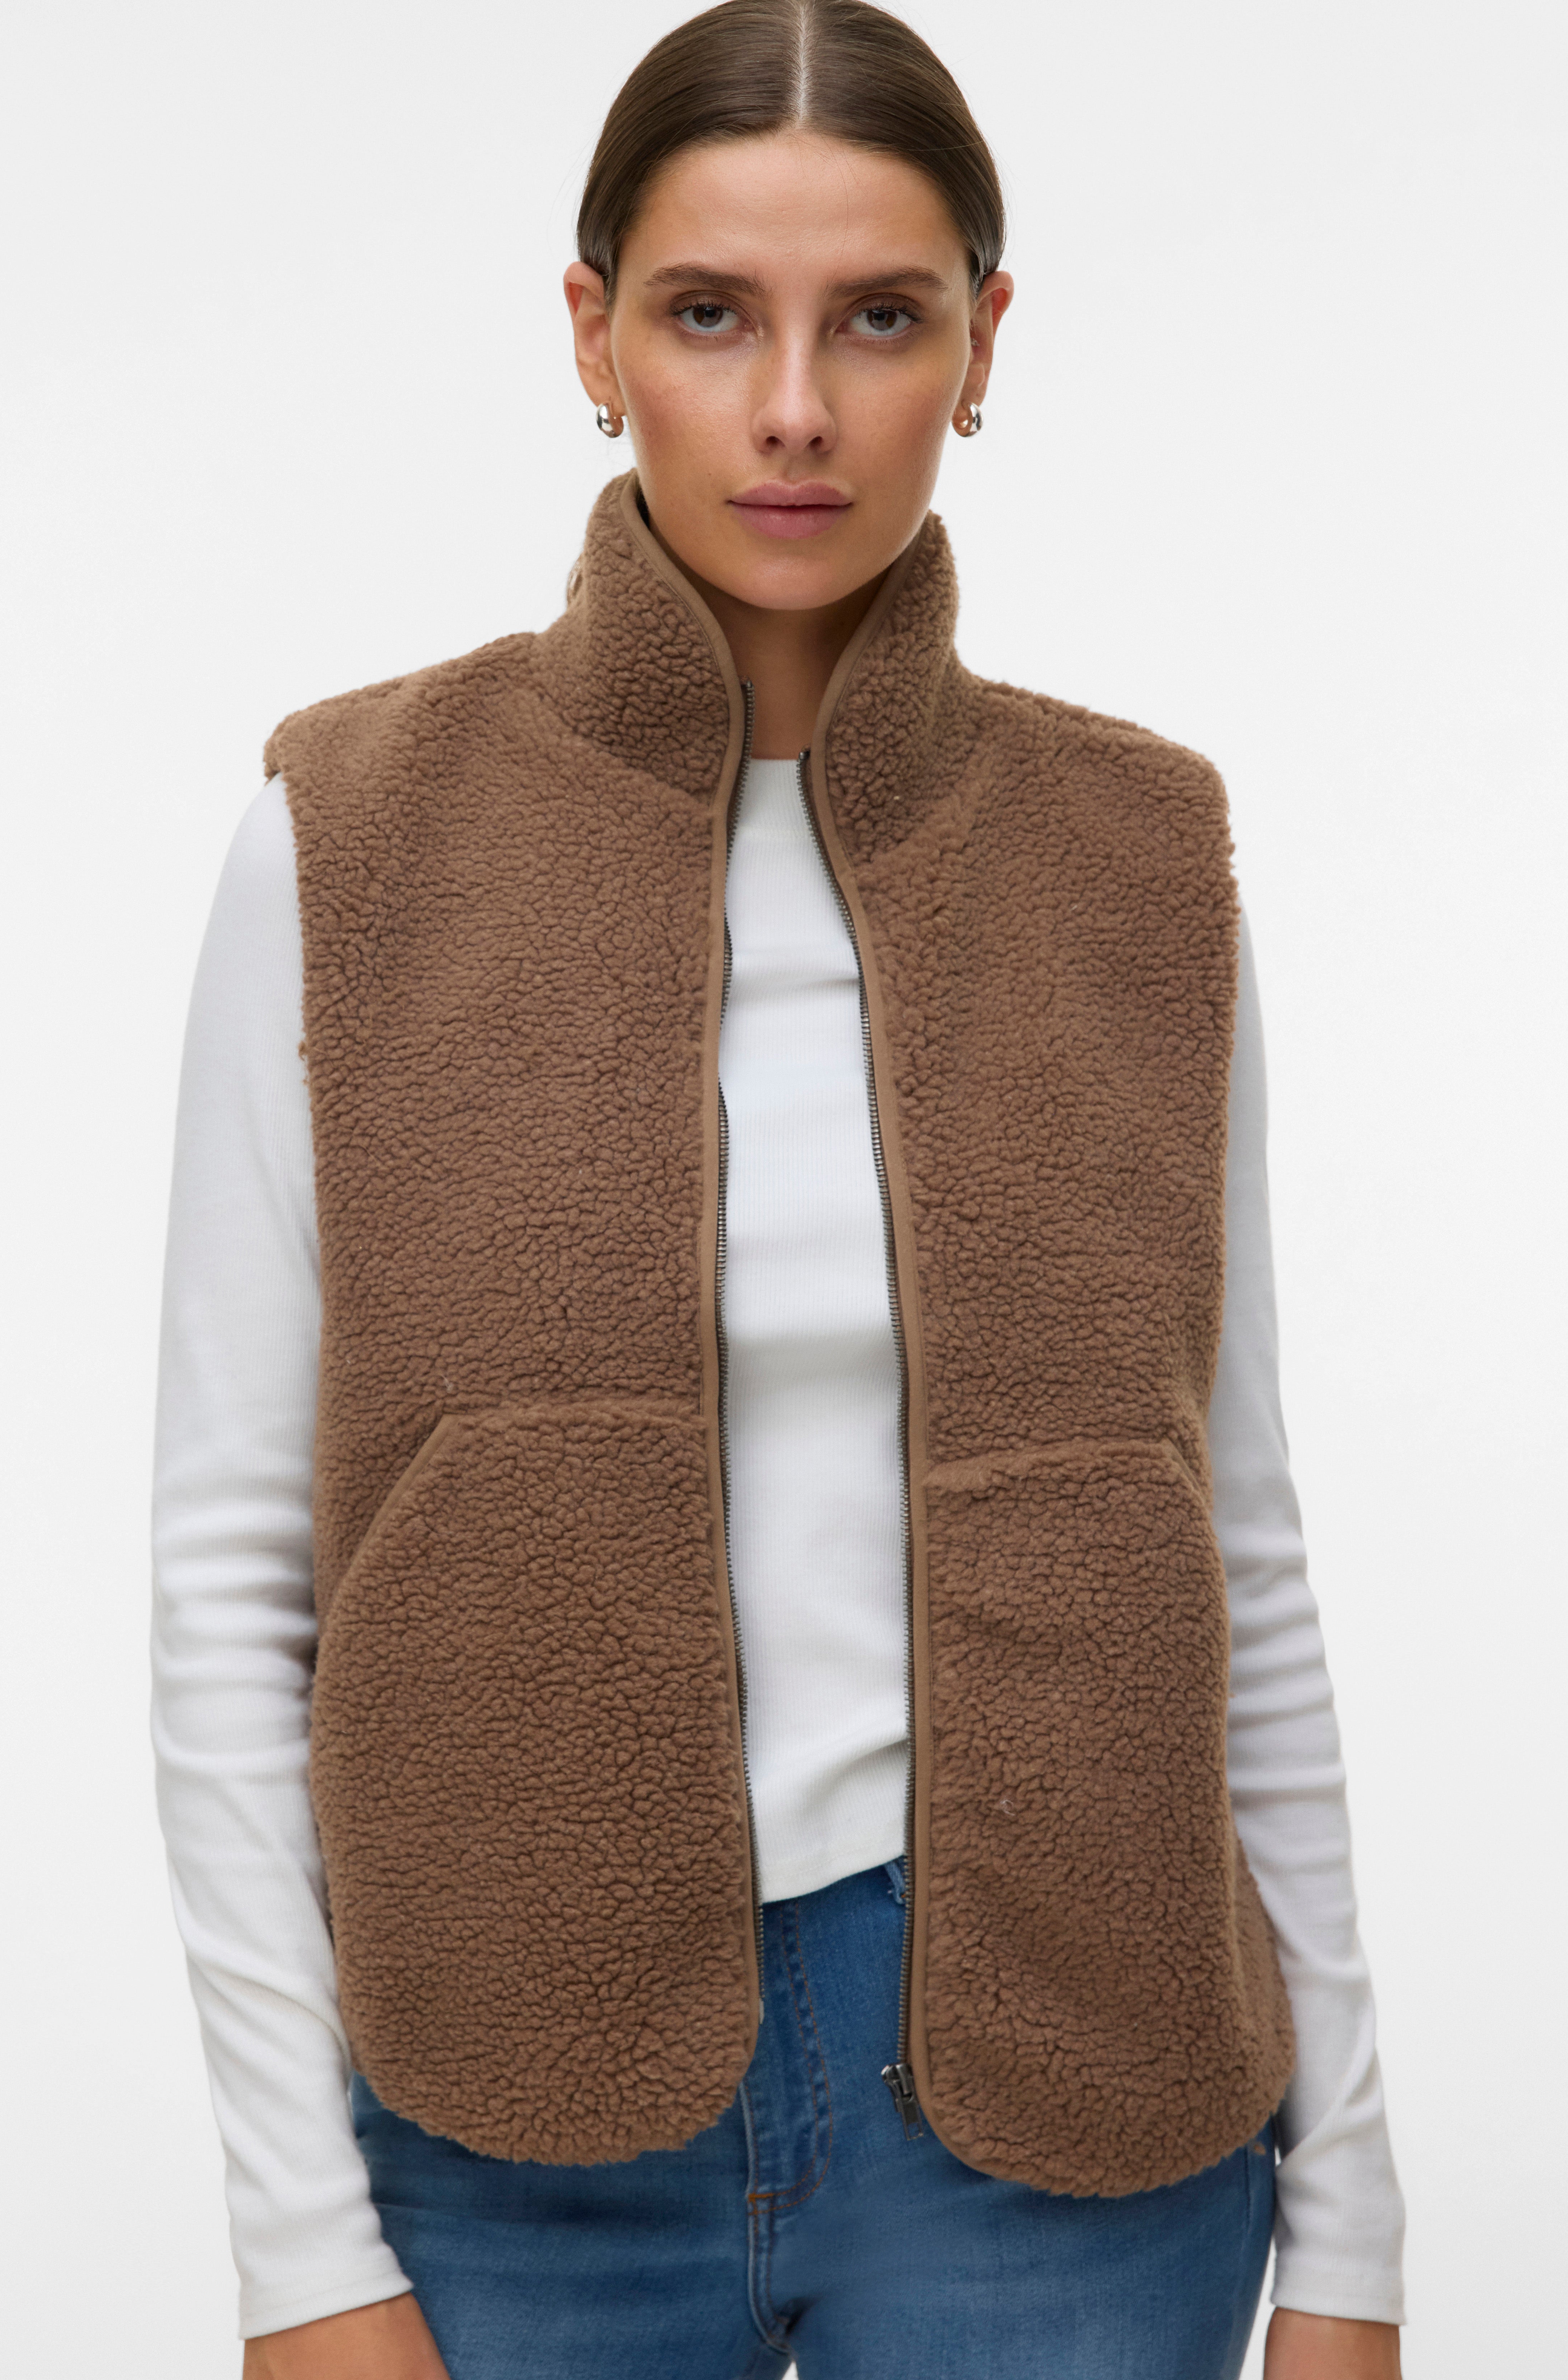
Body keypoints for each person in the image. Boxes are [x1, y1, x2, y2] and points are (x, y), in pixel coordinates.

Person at [152, 4, 1406, 2373]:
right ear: (593, 336)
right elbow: (230, 1580)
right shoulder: (346, 841)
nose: (798, 408)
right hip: (505, 2117)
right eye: (713, 313)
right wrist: (300, 2247)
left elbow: (1235, 1549)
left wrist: (1353, 2228)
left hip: (1071, 2116)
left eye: (884, 318)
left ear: (986, 344)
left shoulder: (1141, 863)